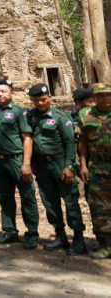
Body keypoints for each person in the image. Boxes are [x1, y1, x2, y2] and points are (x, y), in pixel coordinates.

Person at [25, 83, 87, 255]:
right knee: (50, 202)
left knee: (70, 201)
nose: (40, 103)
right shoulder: (31, 117)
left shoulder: (61, 117)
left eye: (43, 99)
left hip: (60, 164)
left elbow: (70, 143)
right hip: (42, 167)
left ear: (50, 97)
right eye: (36, 100)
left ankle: (79, 239)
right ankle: (60, 236)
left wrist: (69, 166)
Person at [0, 78, 39, 249]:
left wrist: (26, 163)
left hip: (17, 160)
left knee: (27, 196)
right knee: (4, 197)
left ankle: (32, 234)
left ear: (11, 93)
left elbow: (27, 138)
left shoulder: (19, 111)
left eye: (3, 91)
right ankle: (9, 232)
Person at [79, 82, 111, 259]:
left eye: (108, 95)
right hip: (97, 168)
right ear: (94, 98)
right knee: (99, 209)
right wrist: (83, 164)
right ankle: (106, 245)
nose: (104, 98)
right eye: (100, 95)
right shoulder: (87, 116)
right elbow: (83, 142)